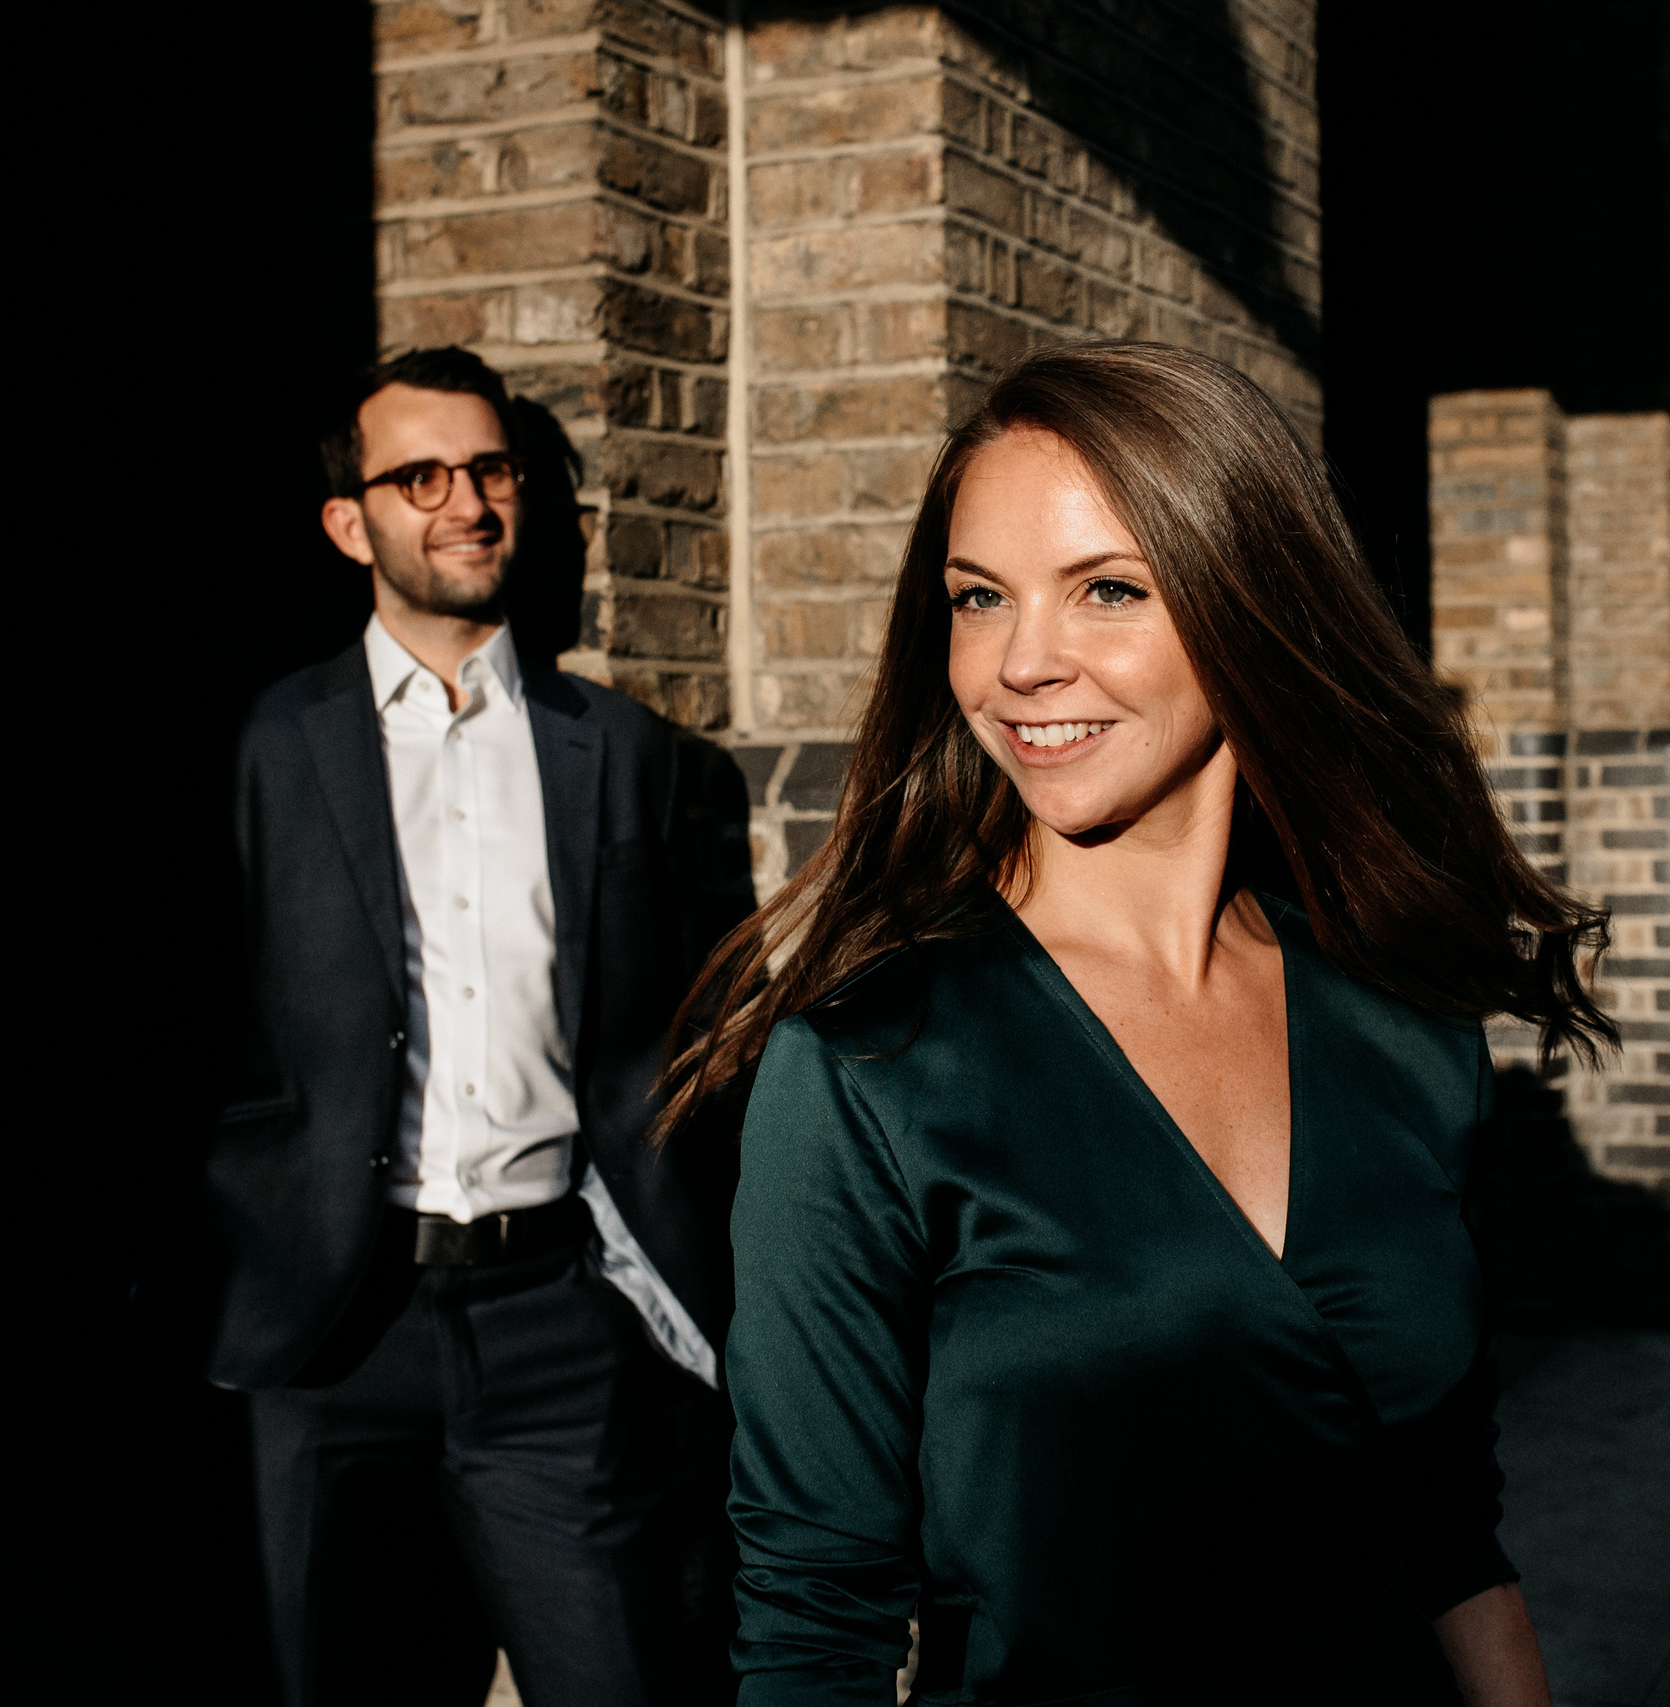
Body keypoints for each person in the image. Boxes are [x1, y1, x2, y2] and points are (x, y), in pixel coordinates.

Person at [656, 342, 1612, 1704]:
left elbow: (1452, 1535)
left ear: (1249, 605)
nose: (1021, 664)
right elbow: (814, 1618)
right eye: (978, 599)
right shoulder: (877, 1062)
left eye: (1107, 589)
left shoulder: (1404, 1023)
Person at [206, 346, 754, 1706]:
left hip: (550, 1329)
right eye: (422, 475)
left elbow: (676, 1047)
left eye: (492, 467)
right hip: (333, 1337)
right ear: (352, 523)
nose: (468, 501)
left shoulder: (623, 754)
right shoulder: (267, 747)